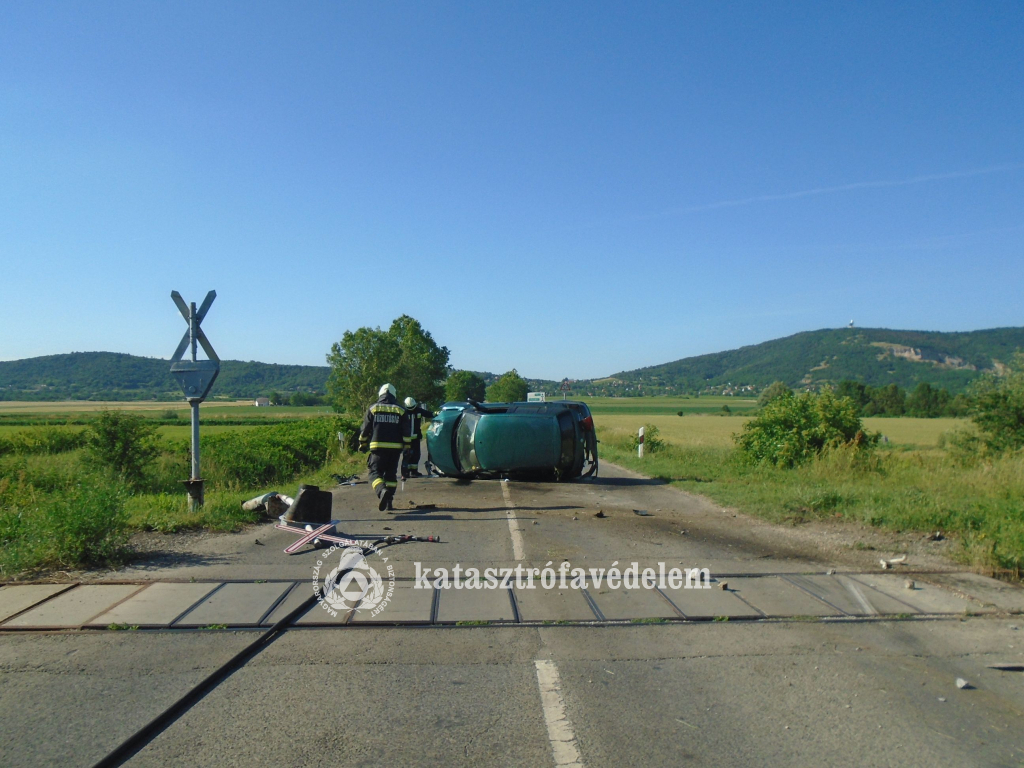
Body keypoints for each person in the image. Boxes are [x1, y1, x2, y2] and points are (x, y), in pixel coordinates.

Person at [358, 383, 411, 511]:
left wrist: (362, 443)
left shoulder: (373, 409)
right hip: (395, 450)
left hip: (378, 449)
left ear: (380, 394)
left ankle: (382, 491)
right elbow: (406, 431)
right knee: (391, 475)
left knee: (374, 473)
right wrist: (407, 447)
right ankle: (389, 501)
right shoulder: (401, 410)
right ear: (394, 395)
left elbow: (365, 429)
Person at [401, 396, 434, 478]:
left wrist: (435, 414)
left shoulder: (418, 410)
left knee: (416, 455)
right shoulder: (402, 412)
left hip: (415, 438)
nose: (411, 409)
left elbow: (428, 414)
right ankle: (406, 472)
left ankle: (413, 472)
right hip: (406, 439)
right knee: (407, 455)